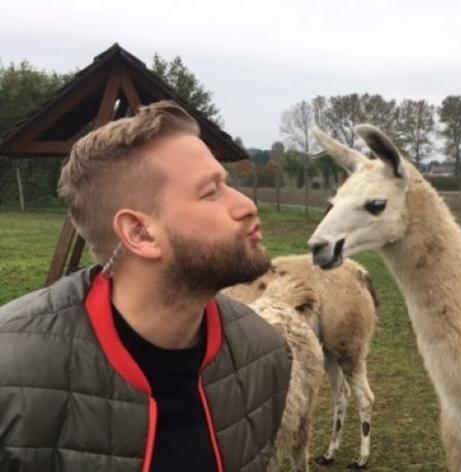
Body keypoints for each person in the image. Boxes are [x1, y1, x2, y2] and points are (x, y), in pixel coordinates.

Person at [0, 101, 292, 472]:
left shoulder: (264, 354)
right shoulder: (10, 374)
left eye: (227, 184)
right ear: (139, 233)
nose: (247, 205)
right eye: (210, 192)